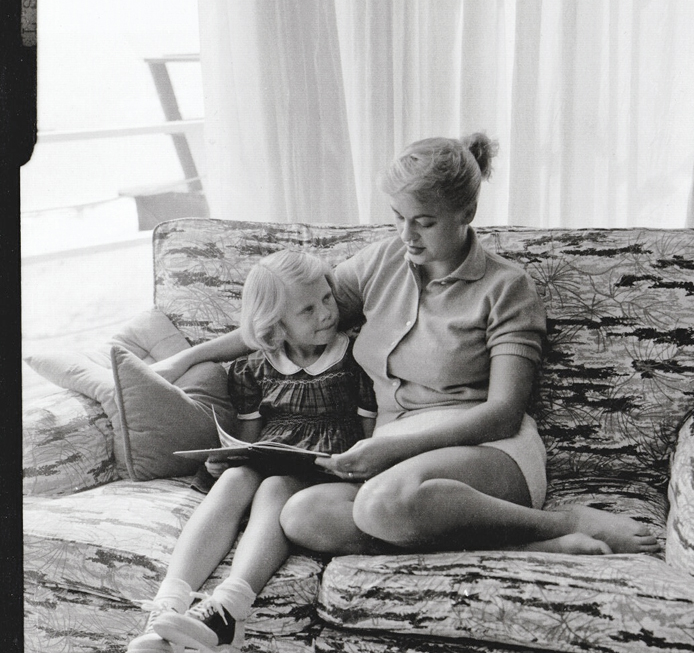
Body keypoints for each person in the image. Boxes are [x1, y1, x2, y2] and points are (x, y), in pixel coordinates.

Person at [154, 133, 660, 559]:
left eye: (425, 221)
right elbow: (287, 316)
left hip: (486, 450)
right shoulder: (381, 263)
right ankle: (515, 546)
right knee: (303, 515)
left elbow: (503, 413)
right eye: (398, 217)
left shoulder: (508, 287)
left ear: (467, 212)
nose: (407, 235)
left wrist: (390, 448)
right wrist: (191, 355)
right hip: (395, 462)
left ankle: (557, 522)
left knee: (382, 505)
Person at [126, 250, 377, 653]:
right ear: (275, 323)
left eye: (328, 299)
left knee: (276, 485)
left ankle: (228, 610)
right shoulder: (254, 368)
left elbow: (370, 438)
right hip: (269, 463)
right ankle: (167, 609)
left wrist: (360, 467)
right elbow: (249, 440)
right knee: (234, 479)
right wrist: (225, 458)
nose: (326, 314)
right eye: (308, 309)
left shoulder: (355, 360)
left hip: (324, 474)